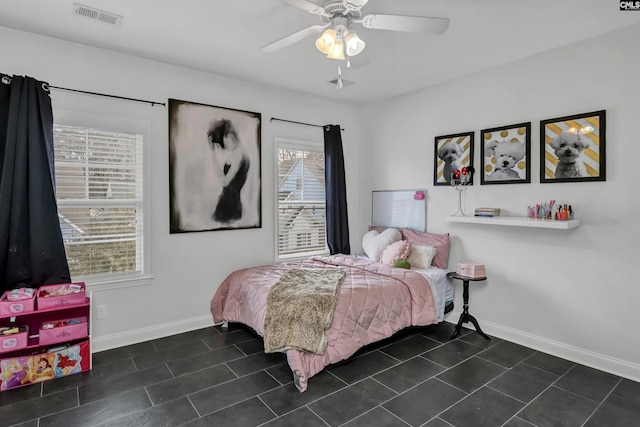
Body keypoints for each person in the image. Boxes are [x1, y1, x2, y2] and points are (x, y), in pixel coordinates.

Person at [207, 119, 250, 223]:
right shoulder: (237, 154)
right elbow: (223, 179)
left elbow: (224, 181)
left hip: (230, 205)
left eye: (224, 145)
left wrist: (213, 153)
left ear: (230, 137)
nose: (224, 148)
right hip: (228, 203)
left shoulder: (239, 155)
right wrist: (213, 152)